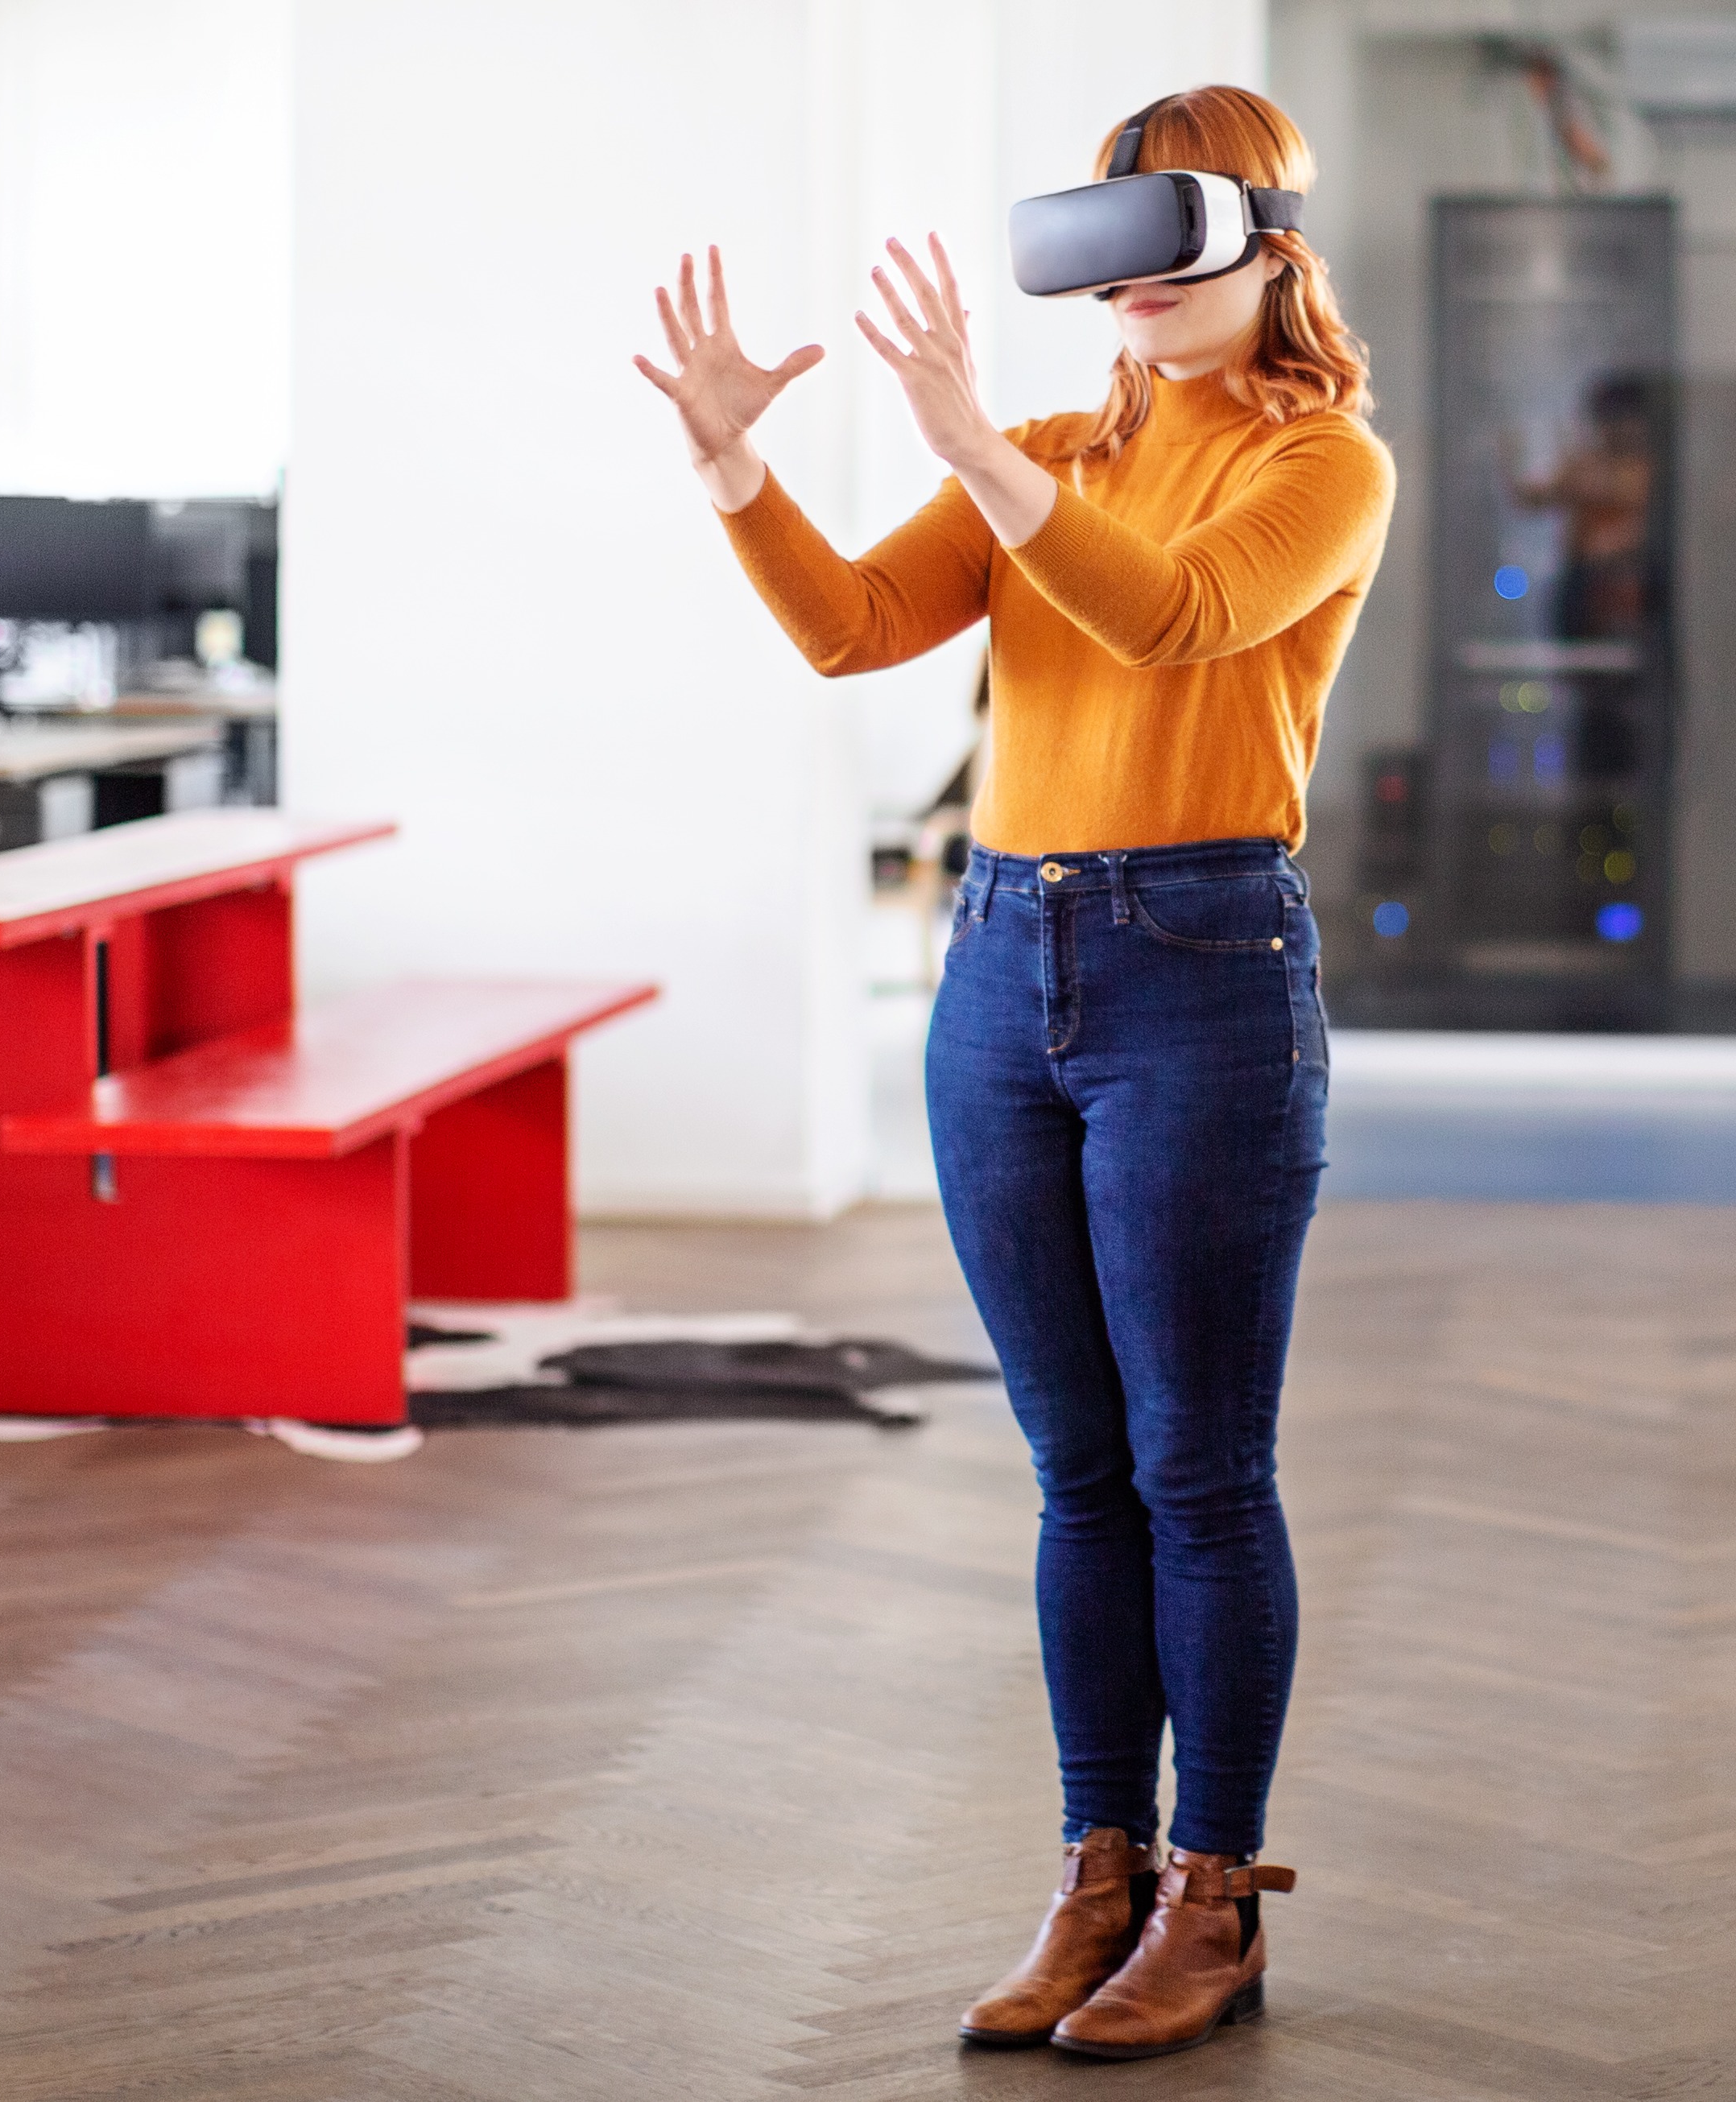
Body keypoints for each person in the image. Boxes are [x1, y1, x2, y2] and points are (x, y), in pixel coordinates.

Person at [633, 85, 1389, 2062]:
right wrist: (734, 469)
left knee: (1199, 1469)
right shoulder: (1047, 451)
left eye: (1172, 228)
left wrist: (977, 448)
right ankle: (1099, 1872)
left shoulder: (1324, 468)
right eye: (1110, 231)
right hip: (999, 966)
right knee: (1076, 1472)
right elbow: (853, 628)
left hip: (1203, 970)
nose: (1131, 277)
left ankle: (1214, 1896)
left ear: (1262, 245)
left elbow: (1179, 618)